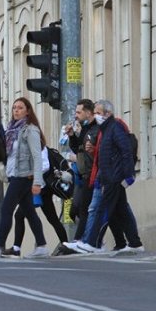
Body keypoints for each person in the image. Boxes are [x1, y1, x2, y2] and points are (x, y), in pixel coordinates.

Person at [68, 99, 143, 254]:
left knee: (102, 210)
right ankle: (135, 243)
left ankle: (93, 243)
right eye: (95, 113)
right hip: (106, 176)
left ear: (108, 114)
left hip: (114, 178)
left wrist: (129, 176)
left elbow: (126, 151)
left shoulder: (115, 127)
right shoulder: (104, 130)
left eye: (98, 113)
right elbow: (102, 156)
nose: (96, 116)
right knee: (121, 210)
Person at [0, 97, 48, 259]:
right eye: (14, 108)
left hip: (23, 177)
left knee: (6, 209)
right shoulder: (11, 130)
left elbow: (37, 157)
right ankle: (41, 246)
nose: (16, 110)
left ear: (28, 111)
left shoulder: (30, 130)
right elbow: (8, 156)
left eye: (20, 108)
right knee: (29, 212)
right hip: (14, 176)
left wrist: (37, 181)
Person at [64, 99, 98, 243]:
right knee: (78, 209)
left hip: (93, 174)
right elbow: (77, 148)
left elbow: (99, 150)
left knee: (84, 209)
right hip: (84, 174)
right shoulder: (85, 128)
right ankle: (86, 240)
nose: (76, 115)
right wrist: (72, 135)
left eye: (79, 112)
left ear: (88, 112)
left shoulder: (96, 129)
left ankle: (80, 240)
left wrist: (92, 150)